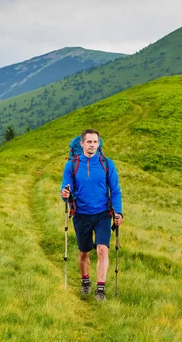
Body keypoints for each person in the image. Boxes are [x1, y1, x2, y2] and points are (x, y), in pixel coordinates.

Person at [60, 129, 123, 301]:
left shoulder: (107, 164)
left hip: (102, 213)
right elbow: (66, 187)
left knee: (103, 249)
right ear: (82, 144)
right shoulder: (71, 164)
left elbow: (115, 190)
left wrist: (118, 212)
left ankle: (100, 289)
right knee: (84, 253)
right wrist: (65, 193)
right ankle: (85, 280)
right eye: (89, 142)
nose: (92, 145)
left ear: (99, 144)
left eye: (95, 142)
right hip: (81, 214)